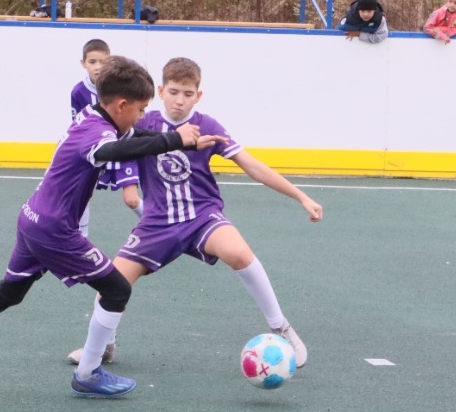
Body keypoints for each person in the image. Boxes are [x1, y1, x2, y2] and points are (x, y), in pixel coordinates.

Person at [0, 56, 223, 398]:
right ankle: (88, 373)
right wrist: (173, 141)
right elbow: (115, 149)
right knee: (117, 289)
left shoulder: (94, 115)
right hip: (55, 230)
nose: (143, 116)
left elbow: (134, 135)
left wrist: (178, 137)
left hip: (32, 217)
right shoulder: (99, 134)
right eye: (141, 109)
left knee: (9, 293)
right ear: (121, 105)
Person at [68, 57, 322, 369]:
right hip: (156, 224)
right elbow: (116, 151)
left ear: (198, 96)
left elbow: (251, 165)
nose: (180, 100)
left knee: (239, 253)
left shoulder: (208, 126)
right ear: (161, 91)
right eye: (174, 92)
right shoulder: (143, 124)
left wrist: (301, 196)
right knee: (111, 283)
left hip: (202, 217)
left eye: (188, 94)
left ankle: (281, 327)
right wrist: (128, 184)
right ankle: (103, 344)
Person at [70, 38, 141, 235]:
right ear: (83, 63)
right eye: (92, 62)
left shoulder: (120, 88)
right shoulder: (78, 92)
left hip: (122, 147)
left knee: (131, 199)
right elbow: (78, 126)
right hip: (98, 151)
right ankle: (82, 236)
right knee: (83, 194)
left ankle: (159, 227)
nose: (97, 67)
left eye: (102, 62)